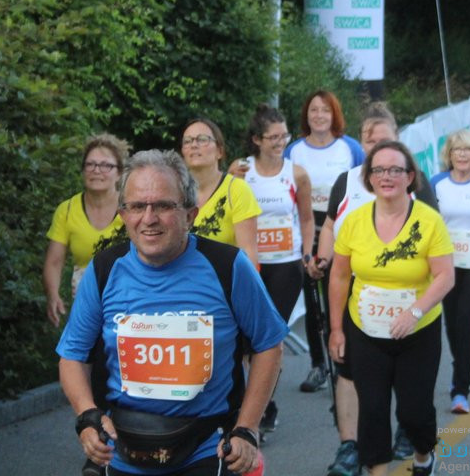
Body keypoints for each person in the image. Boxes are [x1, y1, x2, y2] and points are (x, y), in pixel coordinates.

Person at [56, 150, 288, 476]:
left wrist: (247, 428)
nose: (148, 218)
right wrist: (87, 416)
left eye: (163, 206)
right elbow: (71, 355)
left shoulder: (228, 267)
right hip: (122, 448)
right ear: (122, 214)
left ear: (190, 214)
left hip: (207, 447)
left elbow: (269, 345)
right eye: (137, 206)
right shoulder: (104, 270)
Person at [313, 103, 438, 476]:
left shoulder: (418, 184)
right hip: (355, 298)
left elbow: (435, 243)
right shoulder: (346, 180)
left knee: (409, 397)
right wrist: (321, 259)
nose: (374, 144)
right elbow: (330, 228)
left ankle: (413, 437)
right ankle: (352, 446)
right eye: (368, 138)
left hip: (409, 306)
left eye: (382, 139)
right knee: (357, 382)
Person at [286, 90, 366, 393]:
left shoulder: (350, 148)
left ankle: (344, 362)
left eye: (325, 111)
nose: (319, 116)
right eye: (313, 110)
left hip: (341, 231)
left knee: (341, 296)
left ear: (335, 115)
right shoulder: (293, 151)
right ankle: (319, 365)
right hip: (306, 229)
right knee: (312, 301)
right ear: (306, 115)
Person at [242, 104, 314, 434]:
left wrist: (307, 253)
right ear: (256, 139)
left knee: (270, 337)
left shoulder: (296, 173)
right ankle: (262, 402)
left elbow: (307, 217)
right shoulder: (241, 172)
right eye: (273, 137)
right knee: (249, 339)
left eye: (284, 135)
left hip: (286, 266)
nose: (280, 142)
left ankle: (263, 408)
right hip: (251, 266)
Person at [430, 130, 470, 416]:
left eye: (469, 149)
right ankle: (460, 368)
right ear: (449, 155)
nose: (463, 155)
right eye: (458, 149)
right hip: (445, 264)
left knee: (465, 320)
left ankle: (460, 390)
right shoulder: (437, 184)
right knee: (451, 323)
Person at [44, 133, 130, 328]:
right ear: (83, 170)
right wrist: (53, 295)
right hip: (85, 305)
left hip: (130, 302)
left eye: (105, 165)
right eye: (90, 164)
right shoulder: (67, 210)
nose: (96, 171)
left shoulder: (133, 208)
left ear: (119, 172)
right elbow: (54, 261)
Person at [181, 117, 261, 267]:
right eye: (187, 141)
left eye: (202, 139)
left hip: (223, 285)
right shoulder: (175, 192)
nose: (194, 145)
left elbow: (249, 256)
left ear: (219, 151)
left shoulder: (237, 190)